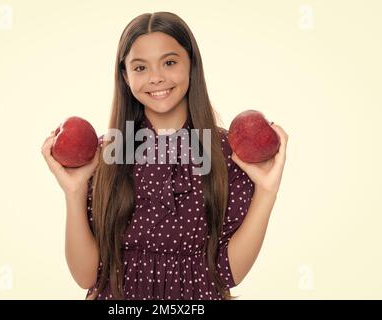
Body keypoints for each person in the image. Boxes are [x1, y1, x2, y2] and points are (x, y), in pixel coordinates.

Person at [41, 11, 288, 300]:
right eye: (140, 67)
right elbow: (86, 276)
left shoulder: (225, 154)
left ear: (191, 65)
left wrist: (267, 191)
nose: (156, 78)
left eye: (169, 62)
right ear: (125, 75)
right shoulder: (106, 153)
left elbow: (226, 273)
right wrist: (74, 190)